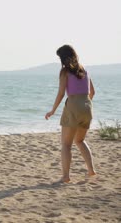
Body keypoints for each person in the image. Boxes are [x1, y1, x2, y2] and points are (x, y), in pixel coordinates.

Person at [45, 44, 96, 183]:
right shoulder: (84, 69)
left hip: (73, 106)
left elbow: (61, 93)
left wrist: (53, 110)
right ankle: (91, 170)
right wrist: (84, 105)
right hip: (87, 107)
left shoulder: (65, 72)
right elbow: (92, 92)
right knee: (80, 141)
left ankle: (66, 176)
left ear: (63, 58)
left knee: (66, 144)